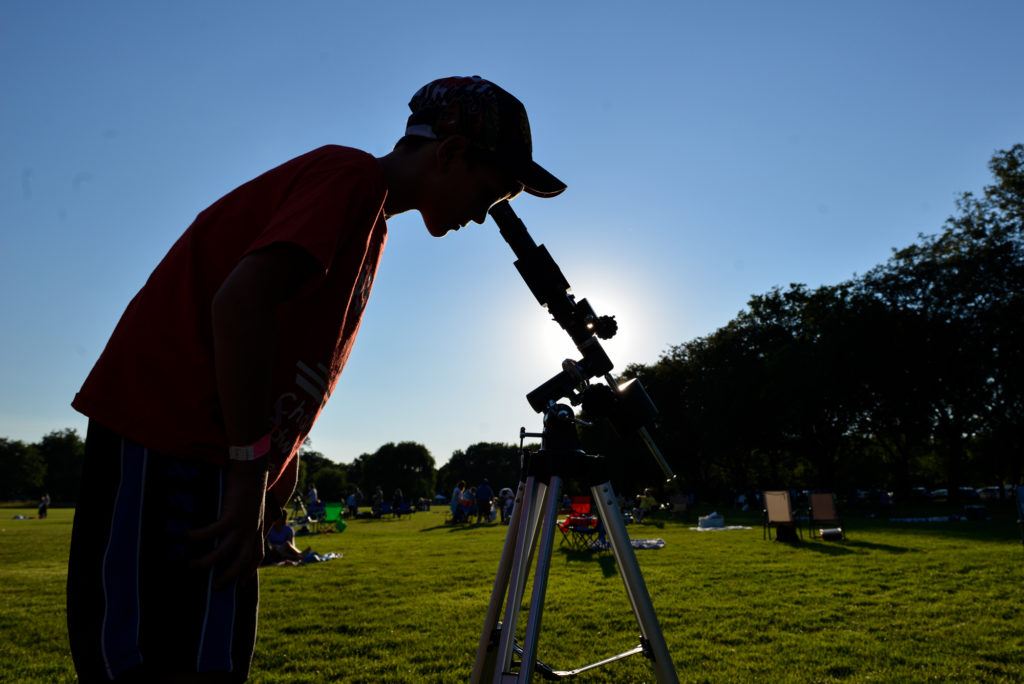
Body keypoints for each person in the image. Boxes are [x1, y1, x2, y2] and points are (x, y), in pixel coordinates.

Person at [65, 75, 565, 682]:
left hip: (213, 455)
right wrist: (249, 468)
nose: (483, 218)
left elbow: (289, 339)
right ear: (452, 154)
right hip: (172, 439)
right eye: (489, 193)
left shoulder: (369, 219)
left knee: (212, 656)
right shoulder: (349, 177)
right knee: (156, 658)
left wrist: (282, 455)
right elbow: (239, 304)